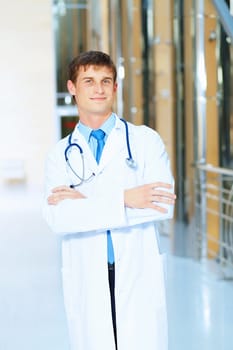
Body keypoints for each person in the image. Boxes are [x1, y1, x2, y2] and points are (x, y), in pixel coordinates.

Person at [43, 50, 176, 350]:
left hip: (137, 271)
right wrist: (128, 198)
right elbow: (59, 219)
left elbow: (162, 204)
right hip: (86, 273)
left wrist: (84, 201)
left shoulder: (145, 141)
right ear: (72, 88)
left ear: (116, 87)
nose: (99, 88)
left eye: (106, 81)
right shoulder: (58, 155)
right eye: (88, 81)